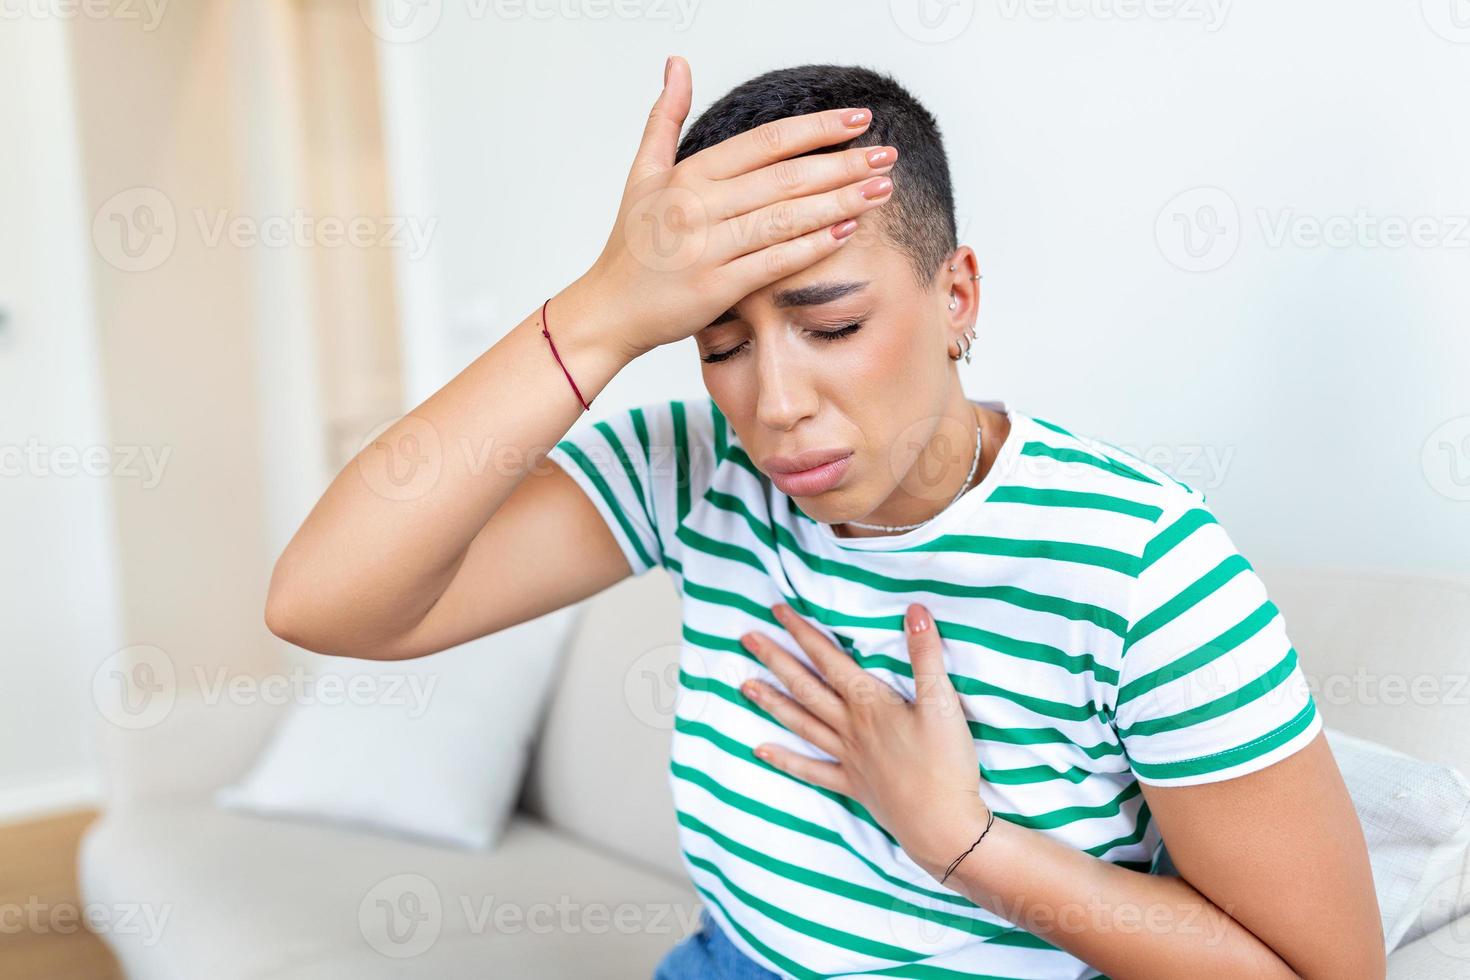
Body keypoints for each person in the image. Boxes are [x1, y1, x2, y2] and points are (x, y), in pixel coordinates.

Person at [265, 57, 1385, 979]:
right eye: (721, 342)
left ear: (957, 298)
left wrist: (967, 841)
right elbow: (326, 599)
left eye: (832, 325)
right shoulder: (693, 467)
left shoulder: (1143, 566)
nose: (777, 403)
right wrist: (604, 311)